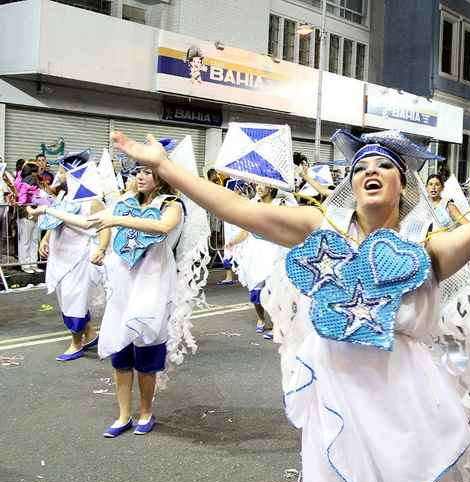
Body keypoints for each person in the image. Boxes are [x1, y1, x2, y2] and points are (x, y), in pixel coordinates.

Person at [110, 84, 470, 482]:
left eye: (383, 167)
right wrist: (166, 168)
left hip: (405, 393)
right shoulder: (319, 229)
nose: (369, 173)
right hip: (336, 393)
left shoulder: (427, 249)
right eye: (360, 168)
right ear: (350, 184)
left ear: (404, 185)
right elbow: (236, 208)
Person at [85, 151, 199, 438]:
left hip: (153, 282)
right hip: (124, 283)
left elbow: (161, 227)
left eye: (147, 171)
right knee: (121, 353)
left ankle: (146, 411)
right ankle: (124, 415)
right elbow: (102, 228)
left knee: (146, 350)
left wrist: (116, 219)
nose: (139, 176)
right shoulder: (126, 204)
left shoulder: (172, 205)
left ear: (162, 175)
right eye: (137, 171)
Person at [26, 157, 107, 361]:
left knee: (74, 300)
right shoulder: (64, 196)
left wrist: (102, 249)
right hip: (61, 257)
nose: (59, 176)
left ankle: (76, 344)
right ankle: (90, 335)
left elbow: (106, 227)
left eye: (62, 173)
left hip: (79, 259)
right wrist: (45, 238)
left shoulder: (93, 202)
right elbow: (56, 221)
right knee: (68, 300)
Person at [226, 183, 287, 338]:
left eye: (262, 185)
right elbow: (246, 230)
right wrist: (234, 241)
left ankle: (276, 325)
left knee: (274, 290)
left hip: (275, 250)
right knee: (256, 292)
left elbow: (288, 226)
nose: (258, 188)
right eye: (257, 185)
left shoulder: (279, 205)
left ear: (271, 187)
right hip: (256, 252)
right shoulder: (252, 205)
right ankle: (261, 318)